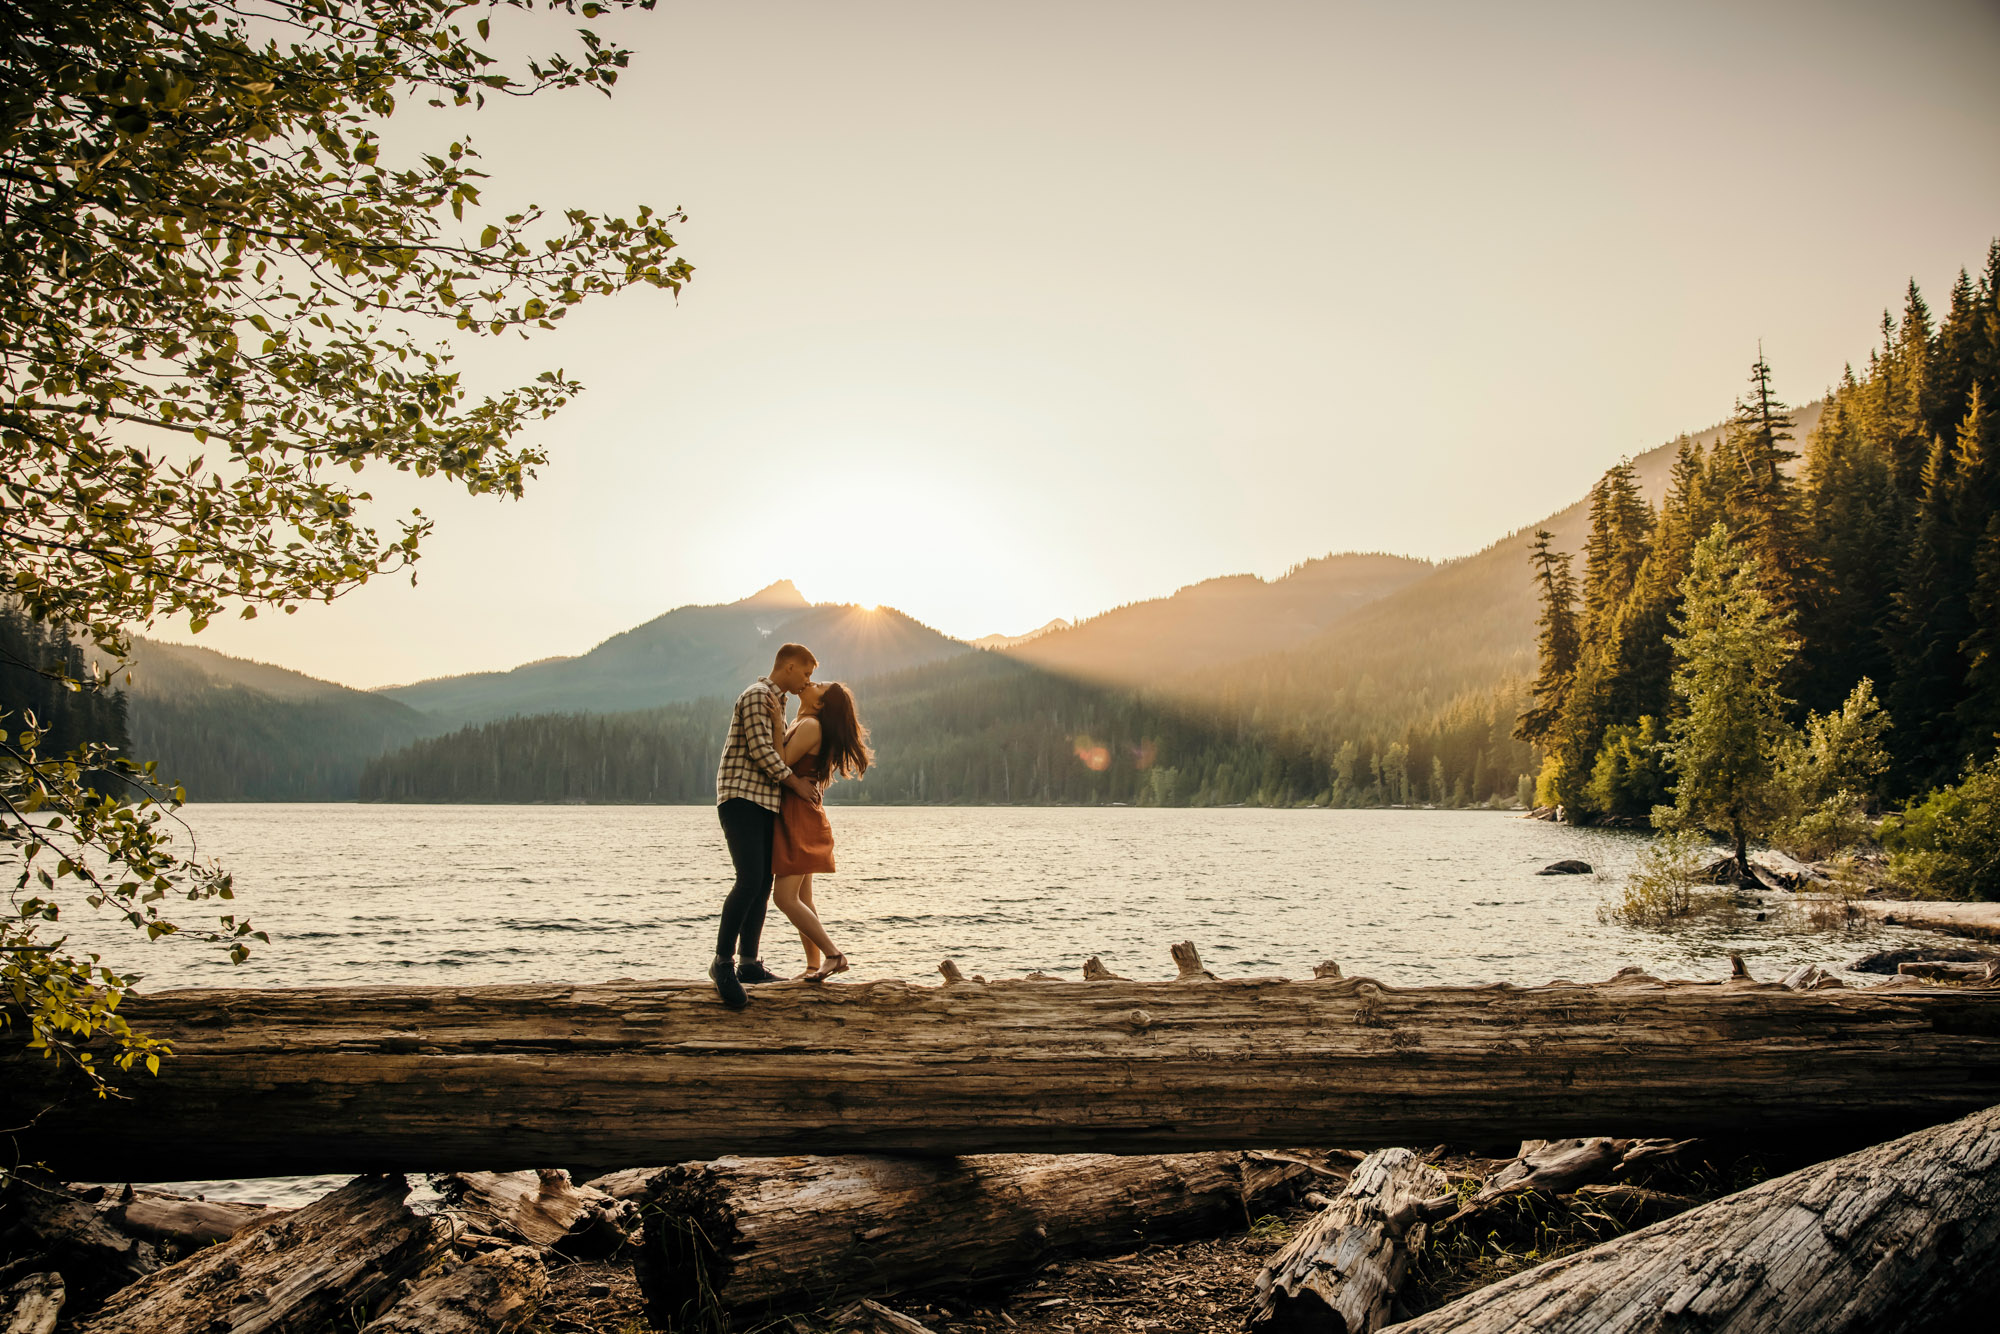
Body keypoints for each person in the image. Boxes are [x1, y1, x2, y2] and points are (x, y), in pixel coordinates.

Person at [710, 643, 821, 1010]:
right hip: (741, 798)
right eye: (805, 673)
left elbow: (777, 750)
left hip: (763, 802)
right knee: (748, 879)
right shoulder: (758, 696)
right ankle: (722, 963)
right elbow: (763, 754)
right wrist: (796, 785)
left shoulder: (779, 704)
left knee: (761, 884)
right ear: (788, 667)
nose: (807, 681)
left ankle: (749, 964)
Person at [772, 681, 872, 980]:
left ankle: (834, 955)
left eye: (819, 686)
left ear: (820, 704)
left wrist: (775, 718)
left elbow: (781, 762)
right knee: (803, 897)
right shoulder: (805, 721)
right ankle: (813, 965)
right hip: (799, 814)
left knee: (784, 898)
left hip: (798, 816)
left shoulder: (811, 725)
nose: (811, 682)